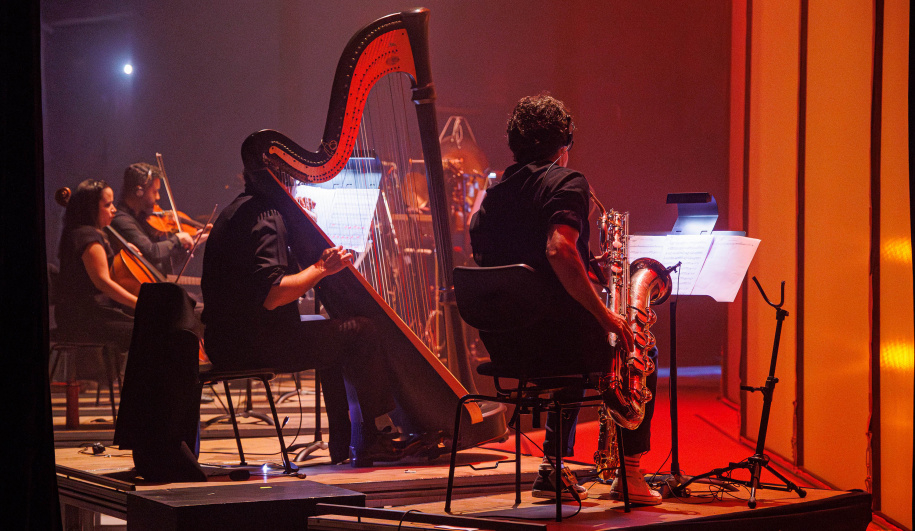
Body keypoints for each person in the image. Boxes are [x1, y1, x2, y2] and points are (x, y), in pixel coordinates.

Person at [468, 94, 661, 505]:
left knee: (572, 323)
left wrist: (587, 266)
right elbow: (558, 250)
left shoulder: (491, 197)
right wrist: (606, 314)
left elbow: (518, 265)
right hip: (555, 346)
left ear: (513, 145)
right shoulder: (568, 182)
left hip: (507, 348)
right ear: (565, 143)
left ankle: (553, 470)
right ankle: (630, 474)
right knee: (637, 343)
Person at [200, 170, 420, 467]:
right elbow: (274, 293)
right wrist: (322, 267)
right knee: (362, 331)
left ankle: (344, 444)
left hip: (225, 341)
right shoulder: (267, 215)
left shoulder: (238, 210)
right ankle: (373, 439)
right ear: (283, 180)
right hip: (254, 345)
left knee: (329, 333)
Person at [55, 179, 137, 364]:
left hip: (80, 314)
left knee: (148, 328)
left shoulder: (81, 233)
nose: (113, 209)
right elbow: (103, 282)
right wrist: (138, 303)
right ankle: (149, 389)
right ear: (90, 208)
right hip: (85, 317)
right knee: (149, 330)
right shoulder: (87, 237)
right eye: (107, 205)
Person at [111, 163, 204, 275]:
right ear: (139, 192)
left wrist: (193, 243)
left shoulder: (142, 219)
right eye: (155, 192)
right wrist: (177, 239)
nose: (158, 197)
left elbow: (163, 264)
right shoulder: (121, 220)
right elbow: (152, 252)